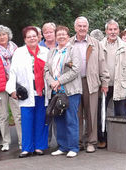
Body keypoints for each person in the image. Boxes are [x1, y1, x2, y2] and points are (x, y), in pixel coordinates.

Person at [6, 26, 50, 158]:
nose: (32, 38)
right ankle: (26, 148)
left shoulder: (45, 51)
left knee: (41, 120)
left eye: (34, 36)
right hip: (26, 92)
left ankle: (39, 147)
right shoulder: (19, 52)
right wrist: (12, 89)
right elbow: (12, 72)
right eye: (29, 36)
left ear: (38, 37)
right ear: (25, 39)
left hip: (41, 91)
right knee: (26, 120)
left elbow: (50, 71)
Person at [71, 17, 110, 153]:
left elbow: (102, 63)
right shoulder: (70, 43)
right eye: (79, 26)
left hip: (91, 82)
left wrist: (105, 81)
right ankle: (78, 141)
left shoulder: (95, 43)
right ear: (75, 27)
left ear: (88, 27)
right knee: (76, 113)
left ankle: (91, 142)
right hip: (74, 83)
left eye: (84, 26)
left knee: (91, 113)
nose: (82, 28)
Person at [46, 25, 82, 158]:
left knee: (71, 118)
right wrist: (52, 83)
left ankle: (73, 147)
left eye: (63, 34)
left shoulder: (73, 50)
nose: (61, 36)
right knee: (58, 119)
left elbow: (76, 70)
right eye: (58, 34)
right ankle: (62, 146)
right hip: (55, 91)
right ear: (55, 37)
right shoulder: (52, 51)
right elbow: (46, 70)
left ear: (68, 36)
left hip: (70, 90)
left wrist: (59, 81)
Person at [99, 19, 126, 145]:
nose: (113, 32)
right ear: (106, 31)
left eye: (115, 29)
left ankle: (120, 139)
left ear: (118, 31)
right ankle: (102, 138)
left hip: (120, 85)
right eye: (110, 29)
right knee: (101, 113)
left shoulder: (125, 47)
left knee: (120, 113)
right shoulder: (100, 45)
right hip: (103, 85)